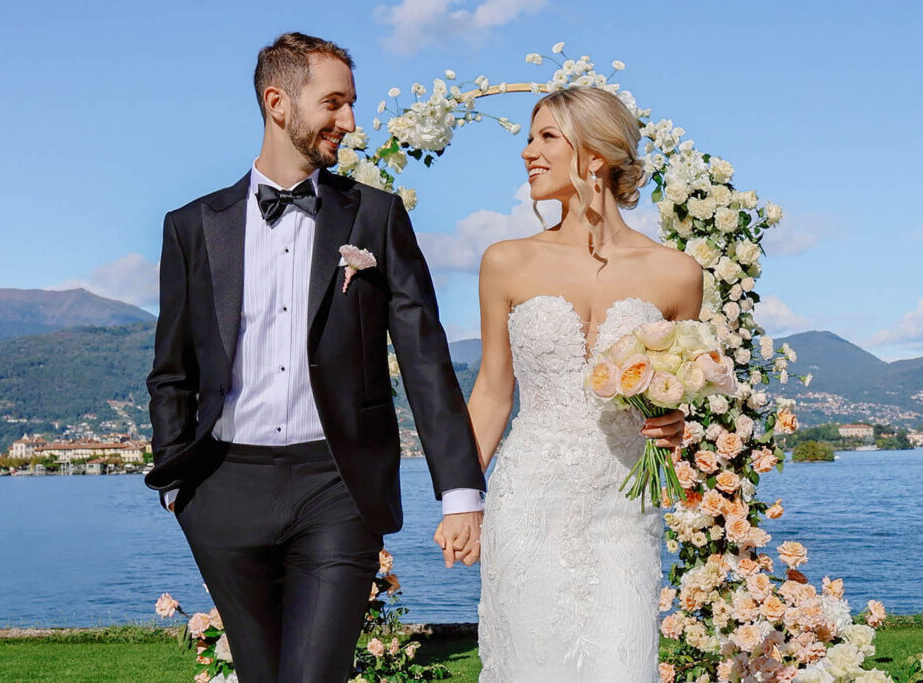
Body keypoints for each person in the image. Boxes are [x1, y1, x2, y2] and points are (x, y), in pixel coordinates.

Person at [144, 32, 486, 683]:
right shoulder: (192, 227)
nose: (350, 121)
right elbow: (172, 368)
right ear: (278, 102)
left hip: (338, 486)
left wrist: (461, 490)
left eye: (351, 104)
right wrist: (175, 480)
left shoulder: (376, 218)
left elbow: (425, 356)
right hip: (222, 486)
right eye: (334, 102)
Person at [463, 87, 702, 681]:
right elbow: (494, 391)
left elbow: (678, 396)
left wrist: (674, 424)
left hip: (624, 503)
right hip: (529, 500)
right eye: (528, 137)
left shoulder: (677, 273)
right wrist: (463, 498)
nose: (527, 152)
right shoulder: (505, 261)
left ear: (594, 154)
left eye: (546, 137)